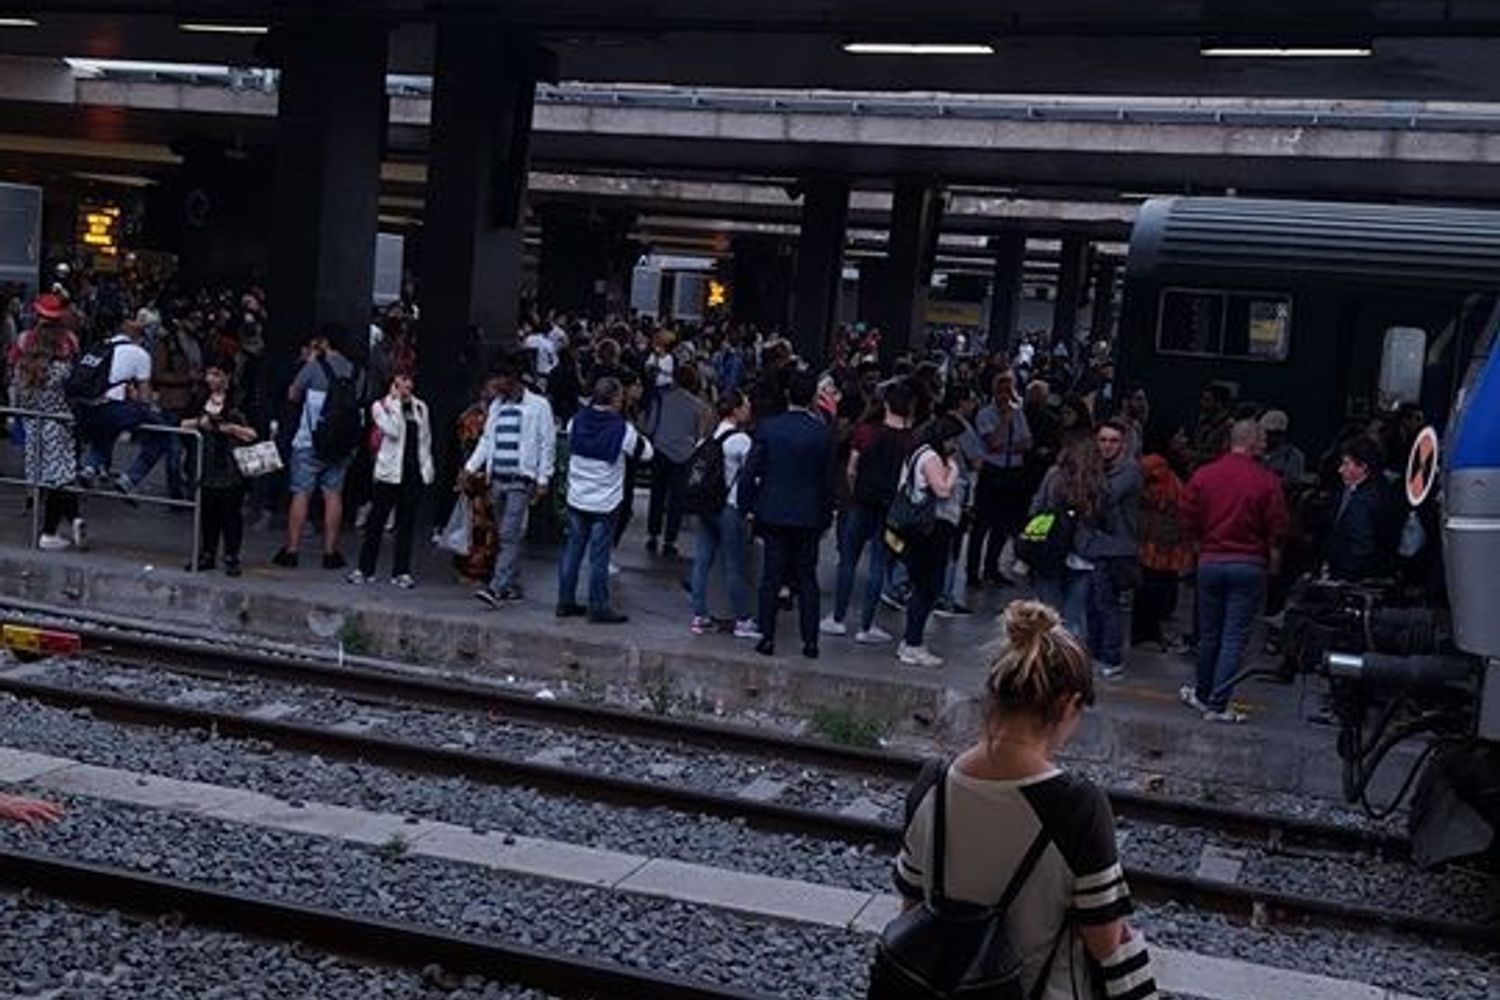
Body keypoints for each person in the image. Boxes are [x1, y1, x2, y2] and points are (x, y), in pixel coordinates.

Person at [891, 601, 1158, 1000]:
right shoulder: (1078, 806)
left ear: (993, 693)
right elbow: (1106, 943)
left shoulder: (934, 783)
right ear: (1069, 704)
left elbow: (912, 909)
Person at [1181, 419, 1290, 722]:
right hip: (1249, 563)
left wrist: (1198, 544)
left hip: (1211, 560)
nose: (1267, 444)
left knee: (1208, 634)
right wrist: (1273, 553)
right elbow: (1278, 525)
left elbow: (1188, 515)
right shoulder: (1267, 481)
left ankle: (1203, 694)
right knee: (1234, 637)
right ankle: (1218, 702)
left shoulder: (1205, 476)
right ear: (1254, 442)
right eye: (1263, 439)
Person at [739, 369, 833, 659]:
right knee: (807, 577)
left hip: (773, 510)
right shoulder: (823, 433)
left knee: (771, 575)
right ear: (813, 399)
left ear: (789, 395)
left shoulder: (769, 427)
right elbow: (829, 479)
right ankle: (811, 641)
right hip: (809, 514)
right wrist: (827, 514)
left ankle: (767, 637)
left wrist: (747, 506)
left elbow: (751, 471)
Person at [821, 382, 914, 644]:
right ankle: (867, 625)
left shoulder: (865, 432)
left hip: (861, 502)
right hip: (889, 509)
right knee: (878, 565)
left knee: (848, 560)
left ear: (885, 404)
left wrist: (853, 492)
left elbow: (851, 469)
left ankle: (837, 618)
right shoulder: (910, 441)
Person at [465, 355, 557, 606]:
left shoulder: (538, 406)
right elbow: (487, 440)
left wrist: (542, 478)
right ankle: (512, 584)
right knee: (505, 534)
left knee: (508, 533)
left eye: (498, 378)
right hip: (498, 478)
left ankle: (496, 587)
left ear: (512, 379)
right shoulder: (497, 406)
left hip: (520, 479)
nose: (494, 384)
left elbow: (546, 443)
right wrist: (470, 467)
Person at [558, 377, 650, 624]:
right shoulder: (623, 429)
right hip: (605, 501)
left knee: (572, 550)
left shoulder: (575, 421)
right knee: (599, 555)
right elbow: (646, 453)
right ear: (615, 400)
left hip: (577, 497)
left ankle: (564, 601)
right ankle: (598, 606)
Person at [272, 327, 365, 570]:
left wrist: (309, 363)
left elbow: (293, 395)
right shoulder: (358, 372)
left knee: (301, 492)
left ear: (325, 343)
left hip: (310, 441)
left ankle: (292, 550)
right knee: (333, 494)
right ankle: (330, 553)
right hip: (343, 444)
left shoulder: (315, 367)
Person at [350, 373, 433, 589]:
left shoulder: (420, 408)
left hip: (412, 472)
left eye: (408, 383)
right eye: (399, 384)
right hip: (389, 473)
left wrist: (427, 468)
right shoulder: (380, 407)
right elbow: (393, 431)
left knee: (406, 524)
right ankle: (365, 569)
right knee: (376, 521)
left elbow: (425, 440)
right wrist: (395, 404)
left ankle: (402, 571)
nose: (405, 388)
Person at [13, 305, 83, 551]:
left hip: (33, 423)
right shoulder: (63, 367)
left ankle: (67, 521)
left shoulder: (23, 367)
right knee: (62, 477)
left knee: (46, 478)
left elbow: (16, 392)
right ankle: (52, 531)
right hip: (58, 423)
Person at [689, 390, 758, 638]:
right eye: (746, 405)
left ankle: (699, 615)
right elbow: (751, 478)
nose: (749, 408)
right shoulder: (741, 441)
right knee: (734, 564)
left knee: (702, 560)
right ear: (736, 411)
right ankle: (742, 619)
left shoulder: (708, 437)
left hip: (706, 506)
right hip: (729, 507)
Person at [77, 313, 170, 498]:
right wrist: (147, 408)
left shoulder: (99, 346)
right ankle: (131, 479)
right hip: (111, 408)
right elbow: (144, 396)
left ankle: (91, 467)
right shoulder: (140, 354)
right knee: (162, 434)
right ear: (140, 337)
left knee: (108, 428)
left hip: (84, 407)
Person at [895, 416, 962, 667]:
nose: (955, 444)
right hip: (931, 530)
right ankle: (913, 643)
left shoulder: (916, 453)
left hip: (918, 529)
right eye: (952, 439)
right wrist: (953, 470)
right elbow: (942, 489)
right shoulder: (932, 459)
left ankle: (911, 641)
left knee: (921, 586)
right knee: (927, 588)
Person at [182, 360, 257, 576]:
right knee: (208, 511)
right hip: (205, 463)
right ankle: (207, 553)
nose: (210, 379)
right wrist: (200, 422)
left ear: (227, 376)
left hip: (231, 464)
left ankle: (232, 555)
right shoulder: (199, 398)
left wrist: (230, 428)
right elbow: (182, 423)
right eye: (209, 374)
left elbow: (252, 432)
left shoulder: (241, 399)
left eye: (216, 374)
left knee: (231, 513)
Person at [1080, 420, 1142, 680]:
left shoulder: (1129, 472)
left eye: (1113, 440)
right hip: (1095, 545)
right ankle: (1096, 652)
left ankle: (1110, 656)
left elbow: (1102, 498)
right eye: (1103, 440)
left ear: (1123, 444)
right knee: (1093, 603)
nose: (1106, 445)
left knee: (1107, 604)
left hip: (1116, 547)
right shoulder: (1097, 469)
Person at [1029, 437, 1104, 639]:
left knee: (1047, 614)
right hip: (1082, 556)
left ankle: (1046, 659)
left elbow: (1037, 507)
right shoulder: (1099, 482)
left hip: (1049, 551)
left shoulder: (1053, 475)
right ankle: (1070, 661)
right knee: (1075, 616)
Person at [967, 370, 1032, 588]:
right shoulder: (985, 414)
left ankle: (991, 569)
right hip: (991, 473)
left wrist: (1007, 445)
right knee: (981, 525)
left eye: (1009, 390)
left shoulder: (1019, 413)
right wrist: (1004, 421)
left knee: (1002, 526)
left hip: (1012, 473)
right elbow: (992, 442)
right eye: (1001, 390)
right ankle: (972, 572)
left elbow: (1027, 442)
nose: (1005, 395)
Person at [1132, 427, 1194, 650]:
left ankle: (1149, 633)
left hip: (1163, 542)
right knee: (1150, 589)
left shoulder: (1169, 470)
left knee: (1155, 589)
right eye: (1180, 437)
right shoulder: (1155, 467)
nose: (1184, 442)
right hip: (1155, 542)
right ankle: (1145, 635)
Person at [644, 364, 711, 558]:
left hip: (661, 450)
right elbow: (700, 435)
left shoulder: (661, 399)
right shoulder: (699, 406)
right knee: (676, 499)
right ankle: (670, 540)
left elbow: (650, 427)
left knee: (657, 494)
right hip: (684, 455)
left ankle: (652, 534)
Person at [1325, 435, 1401, 582]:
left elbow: (1362, 547)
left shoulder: (1364, 502)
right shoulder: (1381, 491)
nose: (1340, 470)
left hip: (1354, 577)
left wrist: (1342, 575)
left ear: (1363, 467)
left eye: (1346, 464)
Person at [450, 375, 502, 583]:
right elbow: (468, 448)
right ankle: (471, 568)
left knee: (489, 525)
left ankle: (485, 567)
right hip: (477, 477)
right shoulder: (473, 417)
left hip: (488, 475)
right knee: (476, 525)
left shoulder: (493, 414)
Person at [1188, 383, 1233, 470]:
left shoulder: (1228, 426)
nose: (1202, 403)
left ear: (1219, 403)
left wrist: (1195, 455)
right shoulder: (1202, 420)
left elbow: (1223, 457)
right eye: (1202, 399)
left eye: (1207, 400)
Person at [1259, 410, 1306, 486]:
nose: (1268, 437)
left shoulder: (1293, 456)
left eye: (1274, 434)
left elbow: (1292, 483)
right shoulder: (1253, 452)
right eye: (1266, 432)